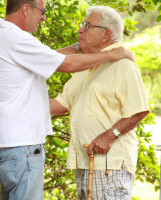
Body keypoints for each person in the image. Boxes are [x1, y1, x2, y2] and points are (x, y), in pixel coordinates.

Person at [0, 0, 135, 199]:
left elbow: (49, 58)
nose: (44, 17)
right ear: (26, 9)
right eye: (42, 11)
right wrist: (112, 53)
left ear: (106, 33)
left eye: (87, 26)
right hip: (23, 147)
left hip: (11, 147)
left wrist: (82, 47)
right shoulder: (15, 39)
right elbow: (66, 64)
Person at [50, 6, 149, 200]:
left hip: (109, 165)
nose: (80, 30)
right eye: (82, 25)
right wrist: (19, 104)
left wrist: (110, 135)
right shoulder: (86, 65)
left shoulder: (123, 64)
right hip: (86, 163)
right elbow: (61, 104)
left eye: (87, 26)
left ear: (106, 35)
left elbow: (139, 110)